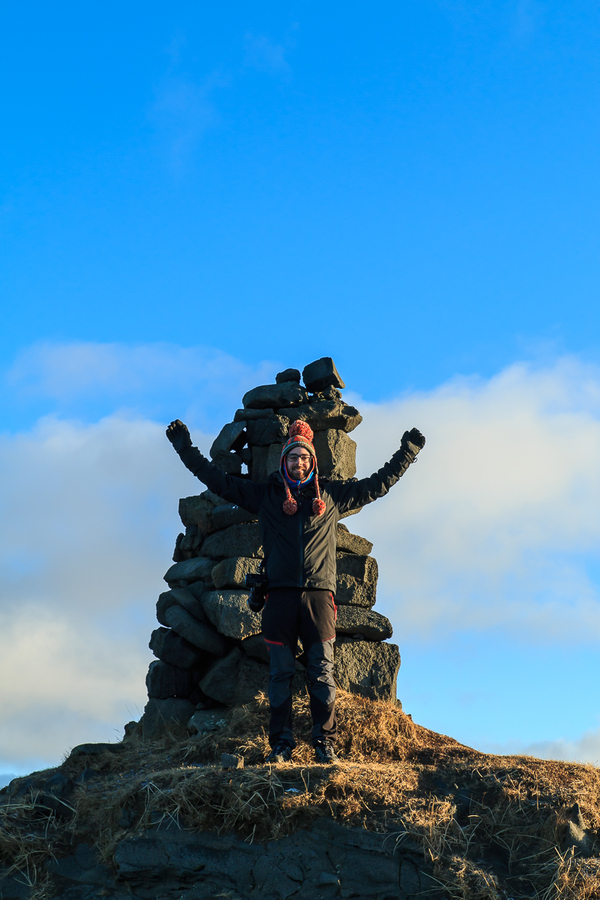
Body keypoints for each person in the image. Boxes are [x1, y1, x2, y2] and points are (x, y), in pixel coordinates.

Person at [166, 417, 425, 764]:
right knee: (280, 675)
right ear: (283, 461)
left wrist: (406, 452)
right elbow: (218, 481)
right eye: (292, 458)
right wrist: (184, 447)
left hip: (319, 599)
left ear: (312, 461)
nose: (298, 463)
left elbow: (377, 485)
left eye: (304, 457)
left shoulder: (331, 495)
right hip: (280, 598)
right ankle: (281, 745)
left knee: (321, 673)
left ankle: (324, 743)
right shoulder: (266, 496)